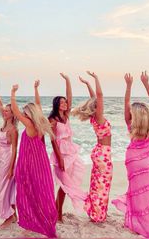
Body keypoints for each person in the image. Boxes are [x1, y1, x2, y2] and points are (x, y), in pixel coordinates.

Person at [112, 71, 149, 238]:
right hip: (147, 161)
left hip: (133, 160)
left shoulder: (131, 125)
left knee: (135, 191)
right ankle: (147, 222)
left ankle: (136, 223)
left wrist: (128, 85)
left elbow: (127, 102)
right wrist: (146, 83)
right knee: (148, 192)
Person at [11, 81, 57, 237]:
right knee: (41, 191)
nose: (22, 116)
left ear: (29, 115)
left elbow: (15, 112)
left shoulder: (30, 124)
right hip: (40, 163)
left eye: (25, 113)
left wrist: (13, 93)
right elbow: (38, 105)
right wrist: (36, 89)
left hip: (30, 164)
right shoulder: (40, 123)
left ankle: (34, 221)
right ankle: (42, 220)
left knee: (29, 191)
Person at [72, 71, 113, 222]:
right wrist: (96, 78)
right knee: (103, 185)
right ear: (97, 108)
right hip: (103, 154)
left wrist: (88, 84)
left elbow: (95, 98)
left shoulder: (94, 119)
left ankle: (96, 212)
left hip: (99, 152)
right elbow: (99, 96)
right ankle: (98, 215)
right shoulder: (99, 118)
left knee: (97, 184)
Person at [49, 73, 86, 222]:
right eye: (62, 102)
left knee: (65, 186)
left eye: (65, 102)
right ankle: (57, 214)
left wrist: (68, 80)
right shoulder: (52, 119)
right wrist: (59, 159)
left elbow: (70, 96)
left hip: (71, 153)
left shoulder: (66, 116)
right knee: (64, 185)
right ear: (57, 104)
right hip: (61, 155)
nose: (65, 103)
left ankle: (57, 212)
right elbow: (52, 141)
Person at [0, 80, 18, 229]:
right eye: (5, 111)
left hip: (8, 161)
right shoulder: (4, 122)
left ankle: (8, 216)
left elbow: (15, 150)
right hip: (2, 160)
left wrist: (11, 168)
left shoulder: (13, 129)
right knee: (7, 189)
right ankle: (13, 215)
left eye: (8, 110)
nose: (4, 111)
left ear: (13, 114)